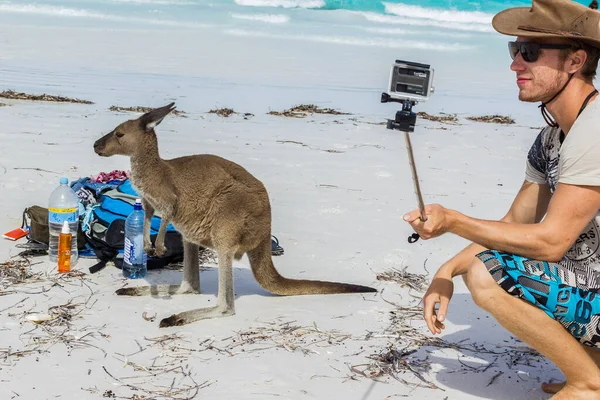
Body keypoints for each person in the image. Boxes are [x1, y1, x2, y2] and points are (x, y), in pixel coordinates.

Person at [402, 0, 600, 398]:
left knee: (487, 273)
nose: (515, 65)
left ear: (575, 61)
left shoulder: (594, 129)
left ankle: (587, 384)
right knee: (479, 263)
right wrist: (445, 269)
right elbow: (515, 222)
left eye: (529, 53)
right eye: (515, 51)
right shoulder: (551, 139)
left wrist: (454, 222)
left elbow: (551, 242)